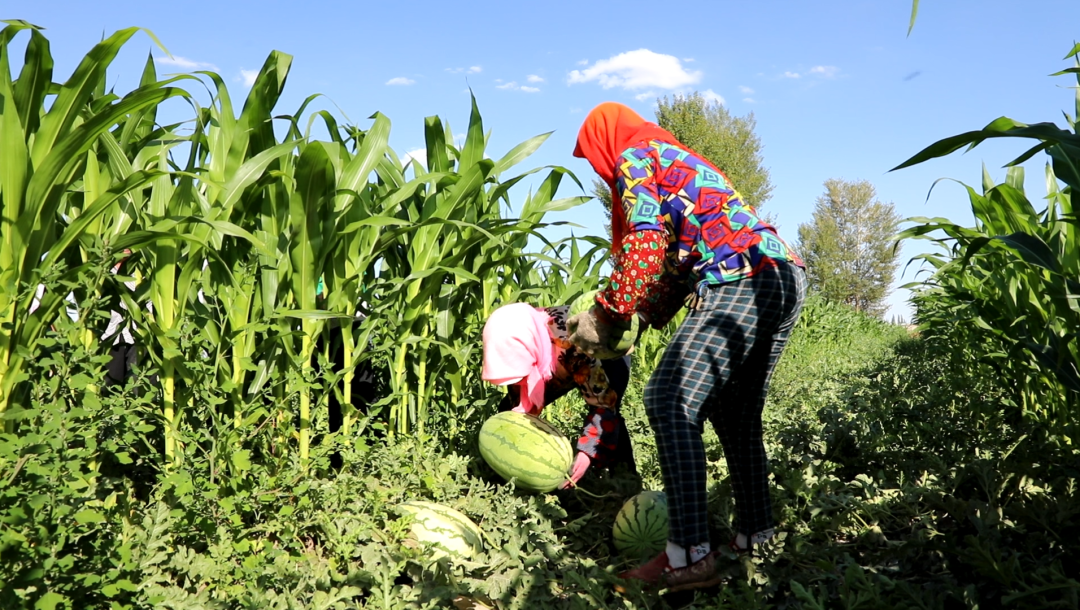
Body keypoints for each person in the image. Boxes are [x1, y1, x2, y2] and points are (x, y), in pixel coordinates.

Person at [567, 102, 806, 592]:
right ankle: (754, 540)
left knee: (668, 399)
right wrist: (640, 320)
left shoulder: (635, 155)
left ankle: (686, 557)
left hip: (742, 278)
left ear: (603, 141)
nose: (601, 169)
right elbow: (677, 263)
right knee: (734, 414)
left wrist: (607, 313)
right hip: (783, 274)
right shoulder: (676, 161)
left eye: (595, 159)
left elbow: (647, 242)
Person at [481, 301, 636, 488]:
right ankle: (510, 477)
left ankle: (623, 479)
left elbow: (603, 405)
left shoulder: (576, 349)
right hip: (551, 354)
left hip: (605, 348)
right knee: (509, 408)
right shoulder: (517, 334)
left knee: (610, 417)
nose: (518, 383)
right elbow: (519, 402)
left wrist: (587, 453)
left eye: (521, 377)